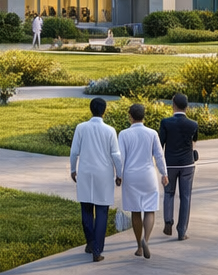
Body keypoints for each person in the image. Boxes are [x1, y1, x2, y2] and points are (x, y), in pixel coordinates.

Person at [69, 96, 123, 261]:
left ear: (91, 109)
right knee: (101, 211)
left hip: (85, 172)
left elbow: (74, 151)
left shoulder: (81, 127)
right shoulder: (109, 130)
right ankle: (97, 250)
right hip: (104, 174)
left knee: (86, 209)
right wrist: (119, 174)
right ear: (104, 111)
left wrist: (73, 169)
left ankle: (91, 242)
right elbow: (116, 155)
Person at [119, 103, 169, 259]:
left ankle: (139, 247)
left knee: (135, 211)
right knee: (149, 209)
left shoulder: (124, 134)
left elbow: (121, 158)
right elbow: (159, 155)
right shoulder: (152, 133)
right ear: (143, 116)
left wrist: (119, 176)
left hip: (131, 176)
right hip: (148, 175)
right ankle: (146, 240)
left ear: (130, 116)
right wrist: (164, 173)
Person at [159, 92, 200, 241]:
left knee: (169, 193)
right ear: (187, 106)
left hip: (170, 164)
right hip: (187, 164)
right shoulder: (193, 124)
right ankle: (182, 231)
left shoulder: (166, 122)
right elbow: (193, 142)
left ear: (173, 105)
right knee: (186, 196)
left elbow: (160, 144)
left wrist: (160, 165)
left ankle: (168, 220)